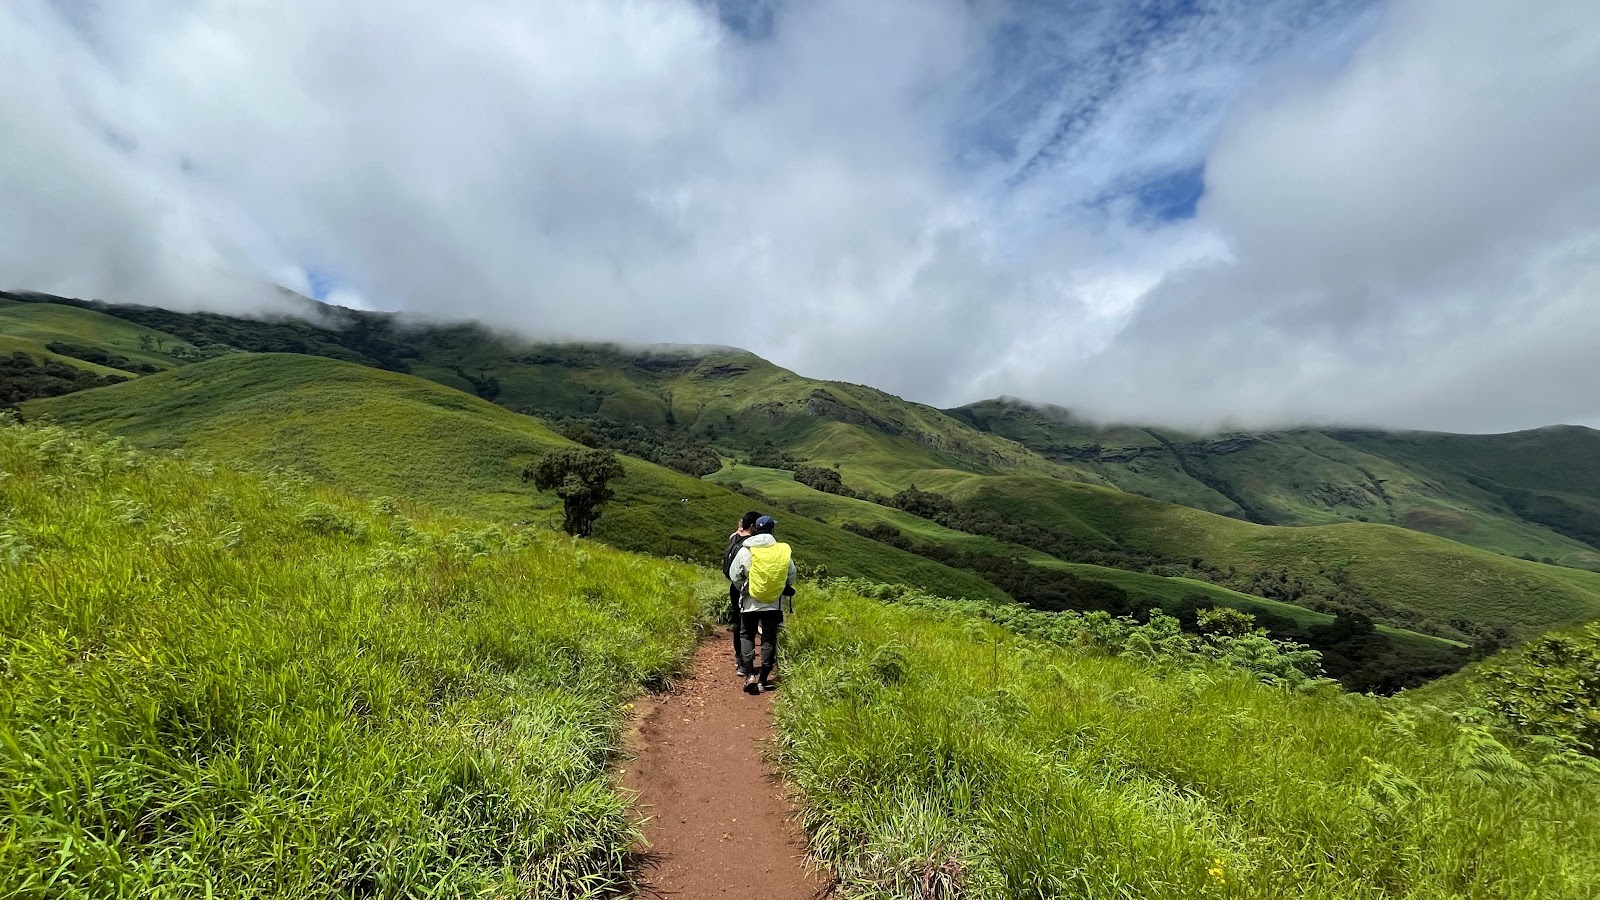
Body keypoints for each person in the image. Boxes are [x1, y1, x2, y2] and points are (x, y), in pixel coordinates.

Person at [727, 515, 796, 694]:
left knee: (747, 635)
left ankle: (750, 674)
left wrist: (745, 589)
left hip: (750, 603)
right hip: (773, 604)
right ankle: (763, 679)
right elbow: (792, 576)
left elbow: (735, 575)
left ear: (756, 529)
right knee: (768, 638)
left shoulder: (746, 550)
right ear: (772, 530)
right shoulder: (782, 551)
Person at [722, 510, 762, 675]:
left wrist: (740, 527)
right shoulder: (750, 545)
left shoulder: (734, 538)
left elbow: (736, 533)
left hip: (734, 586)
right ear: (753, 526)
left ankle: (739, 659)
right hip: (747, 588)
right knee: (749, 624)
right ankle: (747, 662)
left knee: (739, 622)